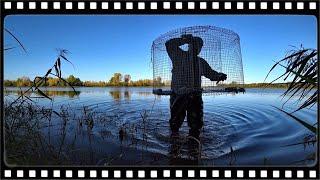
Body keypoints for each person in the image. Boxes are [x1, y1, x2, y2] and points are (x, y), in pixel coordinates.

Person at [165, 34, 227, 140]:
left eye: (199, 46)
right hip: (178, 95)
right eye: (194, 45)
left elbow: (211, 74)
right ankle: (174, 143)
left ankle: (193, 143)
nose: (197, 48)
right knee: (175, 123)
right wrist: (185, 39)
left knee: (196, 125)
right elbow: (169, 44)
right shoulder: (178, 55)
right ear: (189, 45)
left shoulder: (201, 62)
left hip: (195, 96)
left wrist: (219, 76)